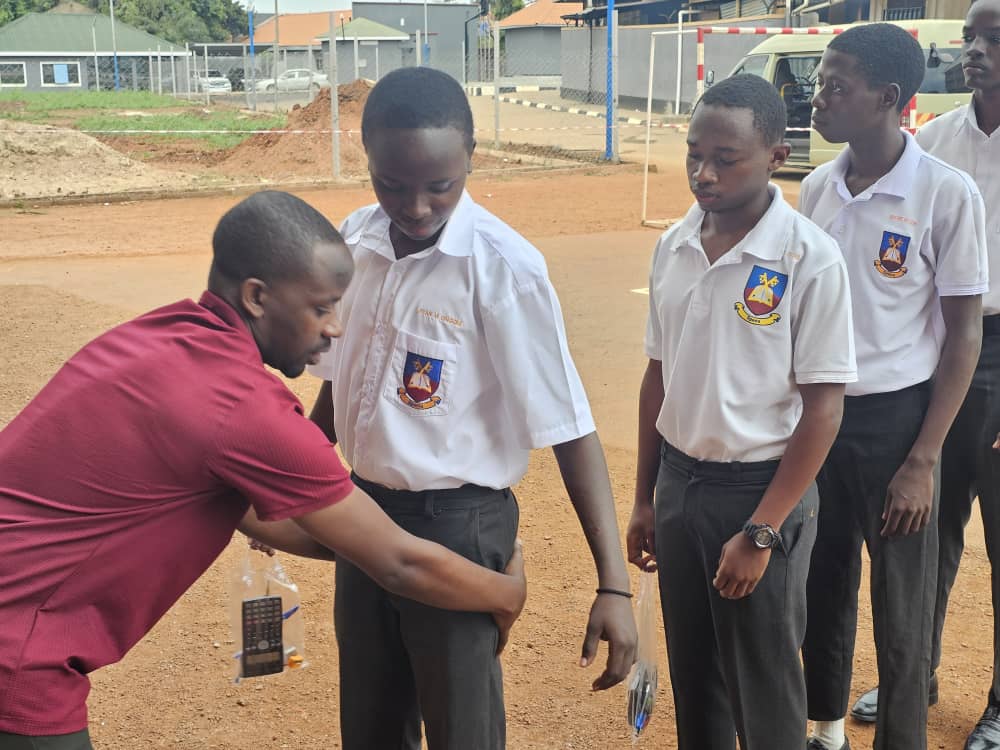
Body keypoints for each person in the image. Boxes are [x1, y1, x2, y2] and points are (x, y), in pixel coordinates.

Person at [0, 191, 527, 750]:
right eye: (322, 307)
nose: (335, 329)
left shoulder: (163, 335)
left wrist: (380, 544)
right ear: (256, 296)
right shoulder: (242, 408)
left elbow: (255, 513)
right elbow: (398, 563)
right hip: (19, 660)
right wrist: (503, 592)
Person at [306, 66, 637, 750]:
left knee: (462, 726)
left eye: (440, 186)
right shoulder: (355, 244)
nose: (417, 206)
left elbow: (569, 428)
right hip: (361, 515)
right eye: (392, 184)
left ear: (470, 158)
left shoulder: (503, 269)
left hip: (457, 526)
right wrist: (293, 480)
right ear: (366, 156)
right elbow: (335, 385)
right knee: (368, 722)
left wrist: (615, 586)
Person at [625, 73, 857, 750]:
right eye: (695, 154)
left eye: (726, 160)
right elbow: (656, 379)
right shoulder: (674, 245)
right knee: (696, 681)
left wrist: (762, 533)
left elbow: (823, 410)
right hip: (679, 486)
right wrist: (646, 498)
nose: (703, 173)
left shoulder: (807, 259)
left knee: (763, 683)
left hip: (760, 491)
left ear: (777, 156)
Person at [798, 23, 988, 750]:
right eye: (818, 81)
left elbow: (964, 333)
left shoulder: (944, 194)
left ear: (886, 98)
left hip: (901, 425)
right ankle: (825, 728)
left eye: (833, 84)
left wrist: (923, 458)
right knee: (825, 580)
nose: (817, 96)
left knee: (902, 605)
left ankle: (900, 739)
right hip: (822, 418)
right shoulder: (817, 189)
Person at [848, 3, 1000, 748]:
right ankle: (920, 671)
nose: (975, 51)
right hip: (942, 357)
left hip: (996, 356)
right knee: (927, 532)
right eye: (969, 38)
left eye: (993, 39)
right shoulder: (933, 142)